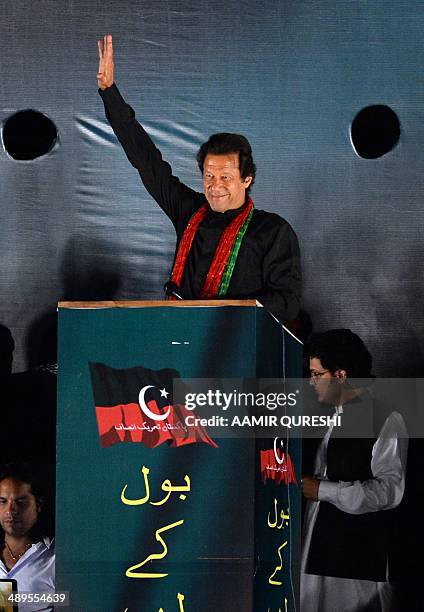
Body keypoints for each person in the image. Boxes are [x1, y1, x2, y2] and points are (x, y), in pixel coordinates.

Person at [97, 34, 301, 323]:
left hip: (237, 347)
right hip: (179, 336)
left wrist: (221, 311)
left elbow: (287, 302)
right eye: (209, 175)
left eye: (226, 177)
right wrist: (109, 92)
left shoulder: (273, 231)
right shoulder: (189, 210)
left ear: (247, 179)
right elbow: (146, 160)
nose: (215, 185)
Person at [301, 329, 408, 612]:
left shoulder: (385, 418)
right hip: (316, 556)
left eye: (317, 374)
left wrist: (322, 490)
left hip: (355, 560)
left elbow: (389, 491)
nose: (311, 382)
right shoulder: (323, 417)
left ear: (341, 375)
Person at [0, 463, 54, 612]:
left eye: (20, 501)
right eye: (2, 501)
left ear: (38, 504)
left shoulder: (56, 557)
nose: (10, 510)